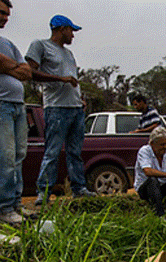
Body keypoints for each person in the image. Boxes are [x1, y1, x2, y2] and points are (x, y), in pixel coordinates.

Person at [26, 14, 96, 205]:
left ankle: (79, 188)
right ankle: (44, 191)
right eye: (71, 31)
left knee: (75, 152)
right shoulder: (40, 45)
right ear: (60, 29)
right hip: (56, 108)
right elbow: (30, 72)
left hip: (75, 109)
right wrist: (60, 80)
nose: (73, 35)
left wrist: (80, 99)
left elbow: (72, 79)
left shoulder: (69, 54)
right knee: (53, 151)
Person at [0, 0, 32, 225]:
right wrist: (15, 69)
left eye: (8, 15)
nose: (5, 18)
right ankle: (4, 207)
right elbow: (17, 69)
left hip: (18, 105)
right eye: (2, 13)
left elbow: (27, 71)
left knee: (19, 155)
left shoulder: (8, 43)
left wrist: (6, 65)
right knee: (6, 157)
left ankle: (16, 204)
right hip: (1, 105)